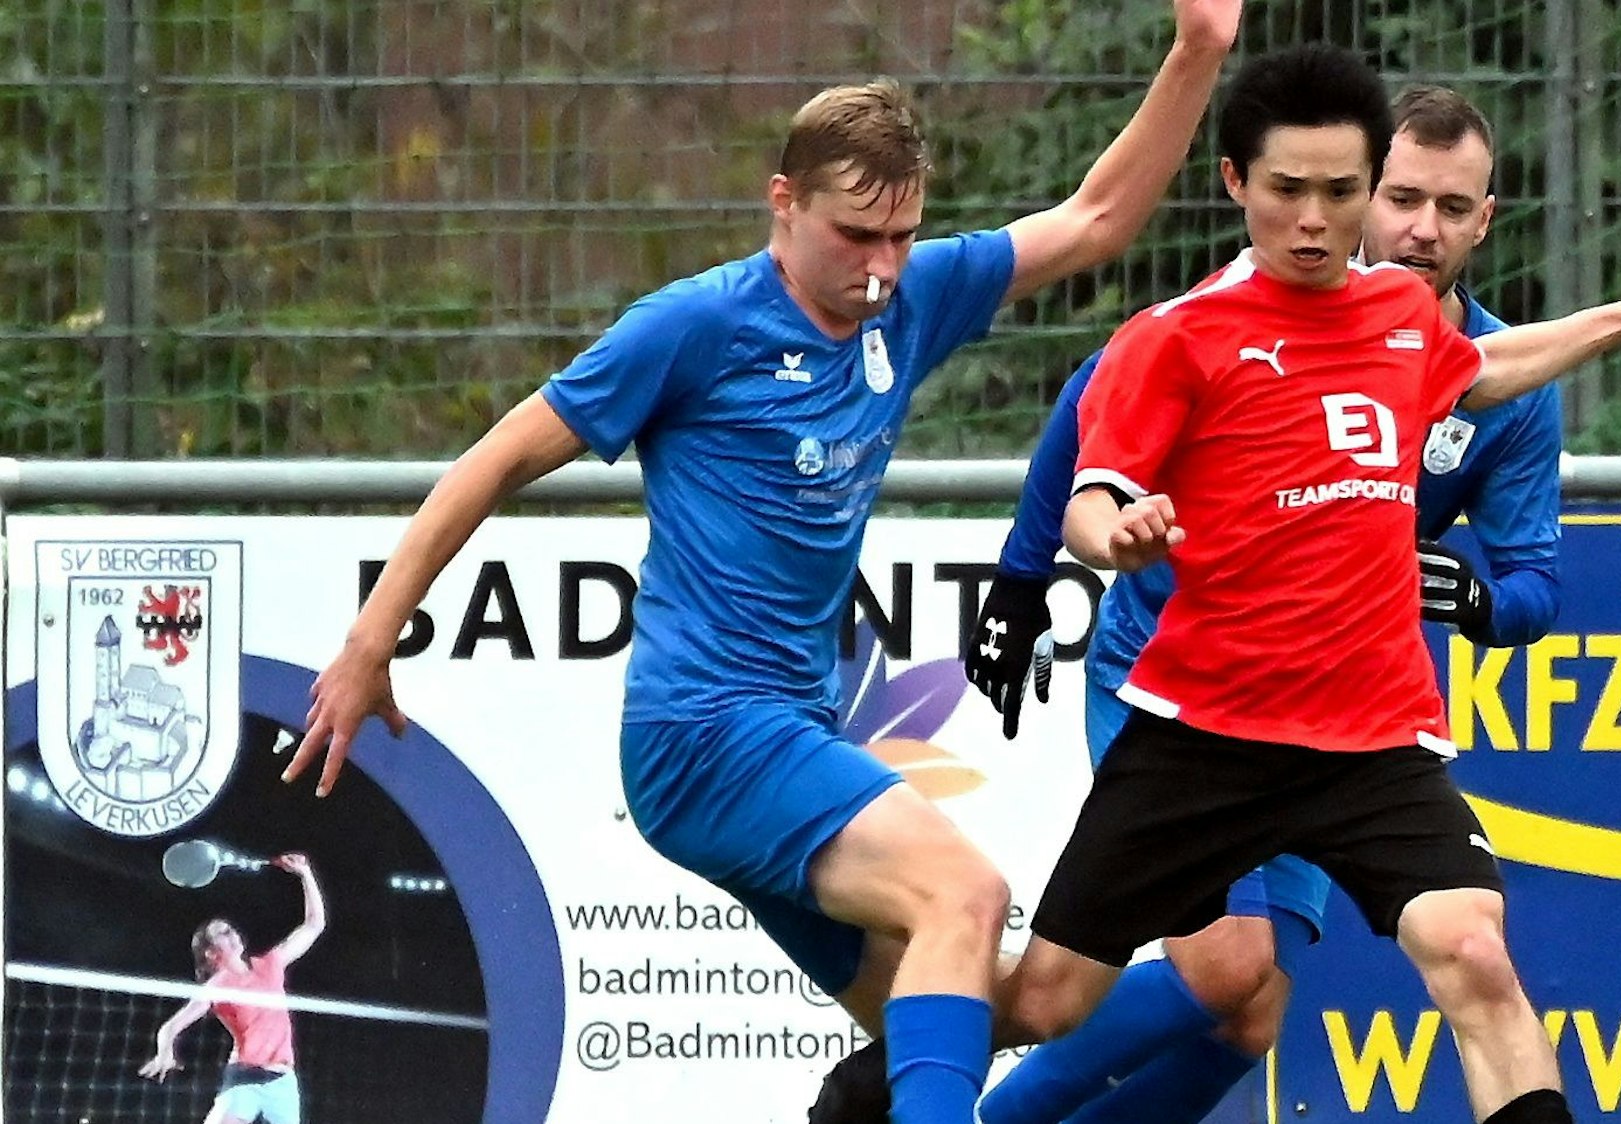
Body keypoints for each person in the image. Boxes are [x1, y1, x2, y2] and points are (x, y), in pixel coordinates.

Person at [280, 5, 1242, 1122]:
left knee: (1018, 1002)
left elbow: (1093, 219)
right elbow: (492, 460)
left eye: (901, 238)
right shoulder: (690, 326)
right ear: (781, 203)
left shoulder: (911, 297)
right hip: (703, 731)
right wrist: (367, 643)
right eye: (854, 237)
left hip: (787, 733)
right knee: (964, 891)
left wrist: (1198, 52)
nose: (882, 269)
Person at [982, 43, 1621, 1124]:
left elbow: (1511, 495)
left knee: (1413, 964)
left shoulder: (1410, 329)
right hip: (1188, 701)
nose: (1338, 219)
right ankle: (919, 1097)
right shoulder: (1184, 332)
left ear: (1485, 220)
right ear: (1240, 184)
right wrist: (1071, 551)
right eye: (1389, 198)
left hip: (1360, 729)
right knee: (1116, 988)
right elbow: (1086, 457)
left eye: (1441, 204)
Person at [140, 853, 325, 1124]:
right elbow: (171, 1026)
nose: (233, 933)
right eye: (223, 934)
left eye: (230, 929)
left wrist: (305, 873)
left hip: (283, 1081)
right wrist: (164, 1051)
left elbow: (314, 924)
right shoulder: (217, 987)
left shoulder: (270, 963)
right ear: (211, 954)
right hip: (245, 1078)